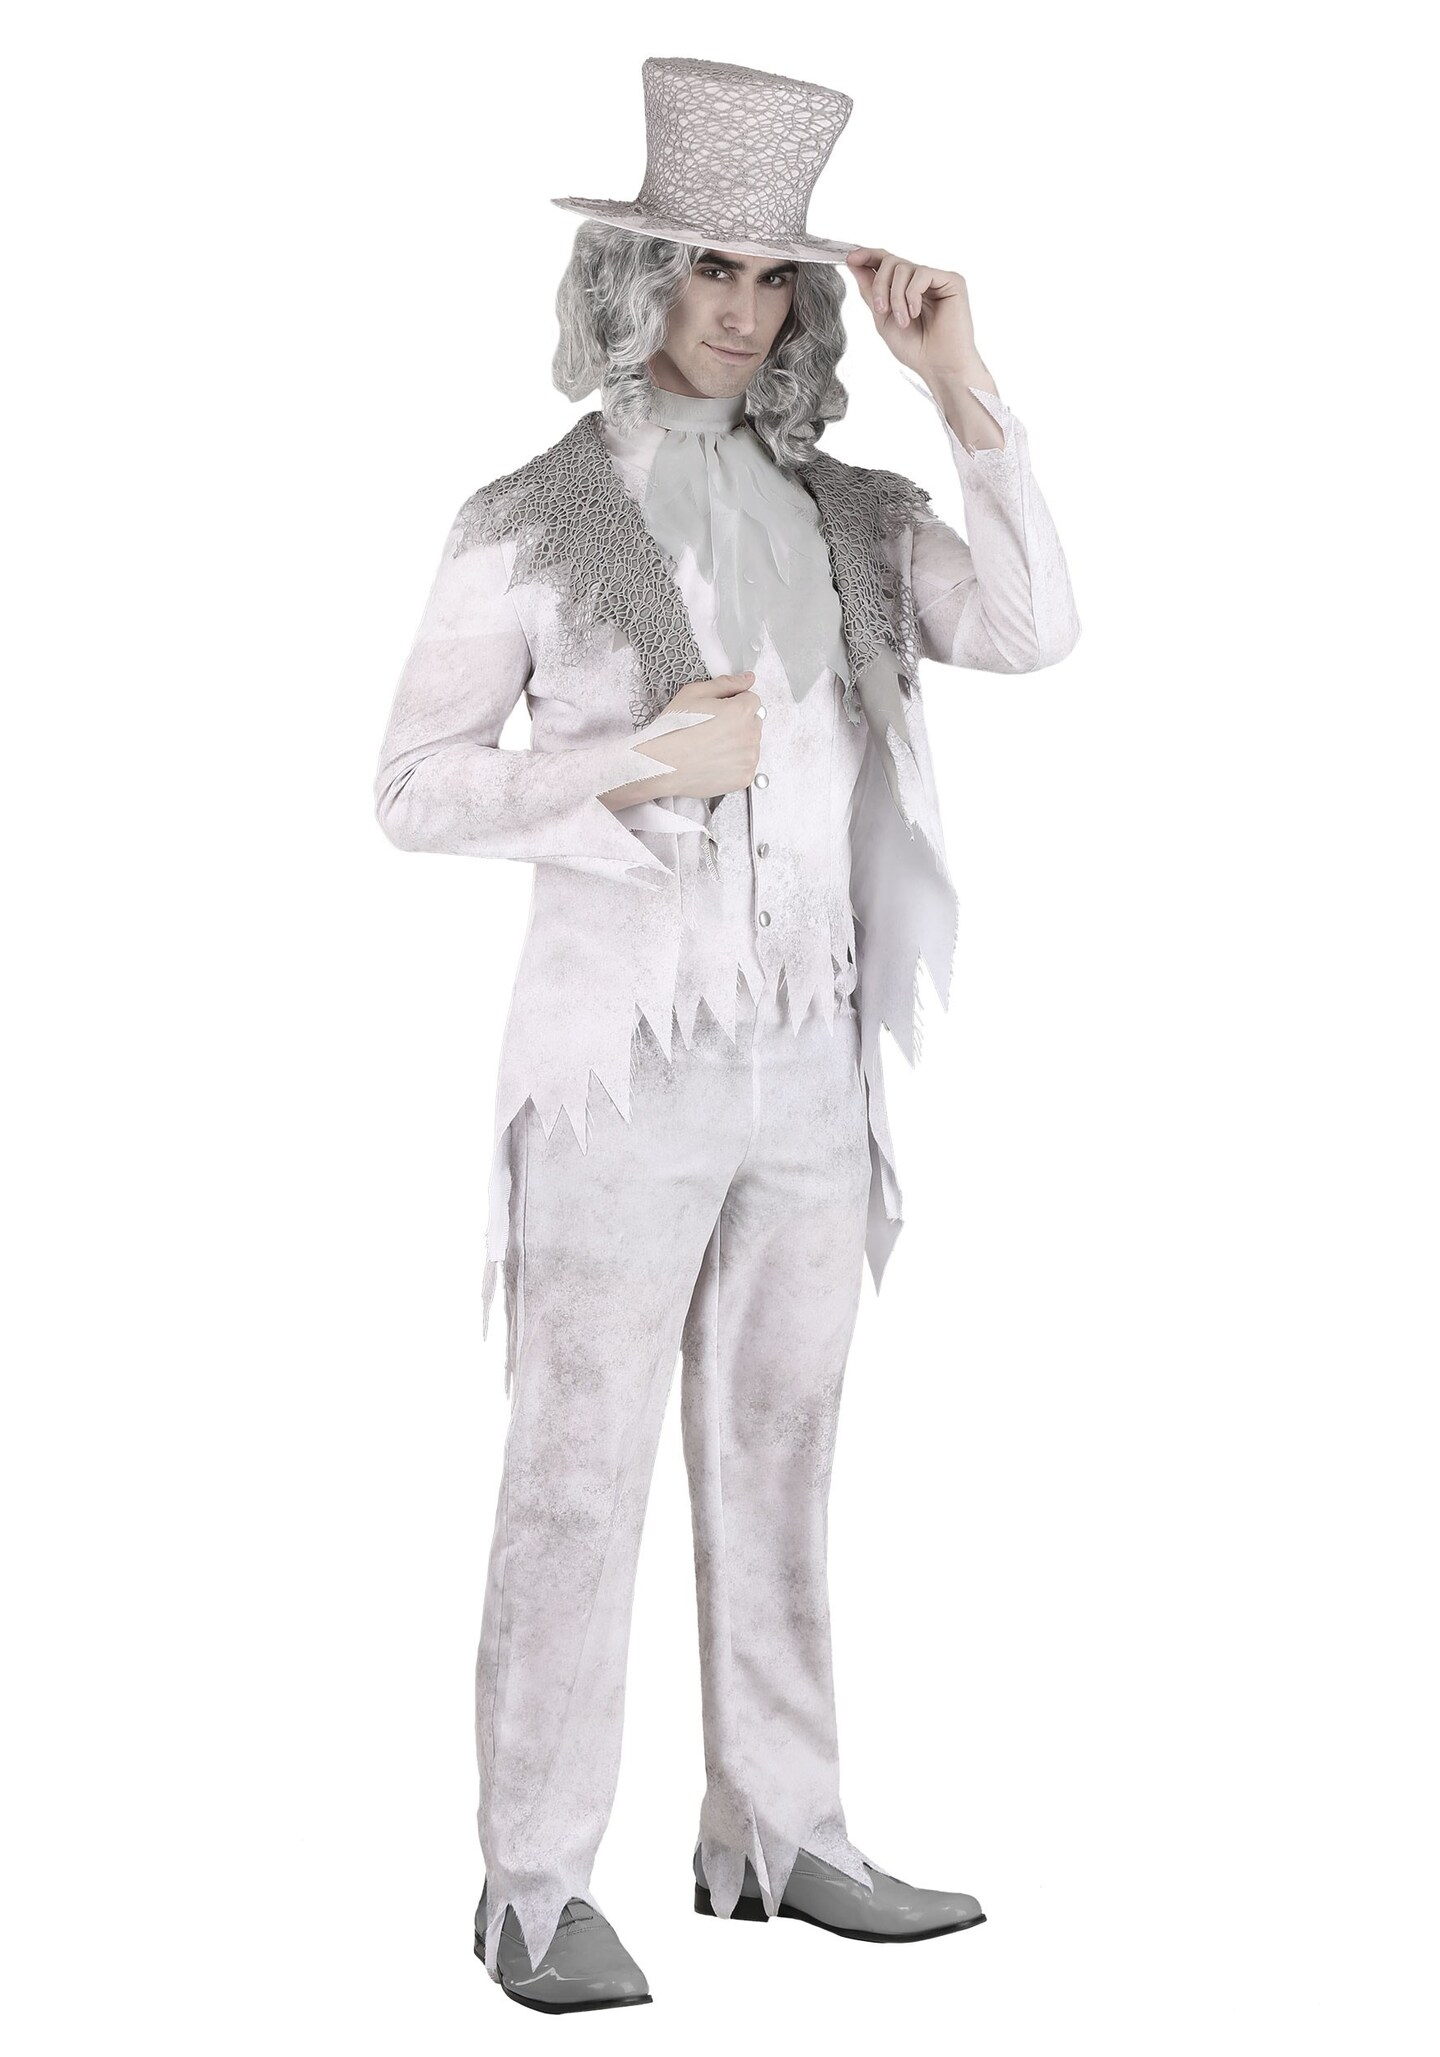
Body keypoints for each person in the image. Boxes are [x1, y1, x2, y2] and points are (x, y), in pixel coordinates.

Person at [373, 54, 1080, 2015]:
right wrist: (622, 767)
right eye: (706, 266)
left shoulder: (854, 515)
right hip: (619, 1067)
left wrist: (964, 387)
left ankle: (780, 1828)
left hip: (808, 1064)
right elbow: (413, 786)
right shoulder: (529, 520)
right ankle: (531, 1885)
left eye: (772, 276)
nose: (741, 308)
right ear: (636, 276)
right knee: (576, 1466)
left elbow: (1033, 626)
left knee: (783, 1445)